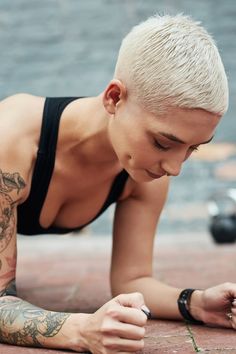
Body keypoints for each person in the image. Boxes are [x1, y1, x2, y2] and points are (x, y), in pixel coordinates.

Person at [0, 13, 234, 354]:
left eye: (193, 148)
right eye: (163, 143)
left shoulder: (146, 173)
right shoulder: (11, 140)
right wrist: (80, 330)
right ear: (114, 98)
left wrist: (195, 303)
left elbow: (132, 279)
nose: (175, 167)